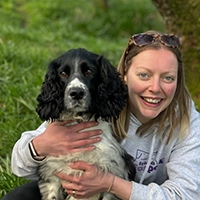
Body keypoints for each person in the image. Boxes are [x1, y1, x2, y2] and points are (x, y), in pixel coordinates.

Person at [2, 30, 200, 200]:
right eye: (144, 75)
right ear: (124, 75)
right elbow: (20, 167)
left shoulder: (187, 121)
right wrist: (41, 145)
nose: (154, 88)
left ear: (178, 81)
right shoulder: (93, 105)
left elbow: (187, 195)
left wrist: (109, 183)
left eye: (167, 77)